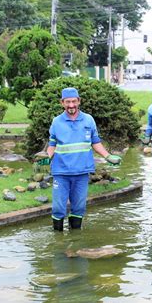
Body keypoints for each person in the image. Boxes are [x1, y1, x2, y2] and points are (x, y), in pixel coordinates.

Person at [39, 87, 121, 231]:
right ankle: (58, 240)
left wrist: (107, 156)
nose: (71, 105)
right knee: (58, 207)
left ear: (79, 101)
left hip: (82, 171)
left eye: (74, 101)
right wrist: (47, 157)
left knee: (79, 207)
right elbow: (52, 144)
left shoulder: (88, 120)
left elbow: (95, 142)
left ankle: (75, 238)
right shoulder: (56, 122)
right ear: (62, 103)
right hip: (61, 172)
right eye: (68, 102)